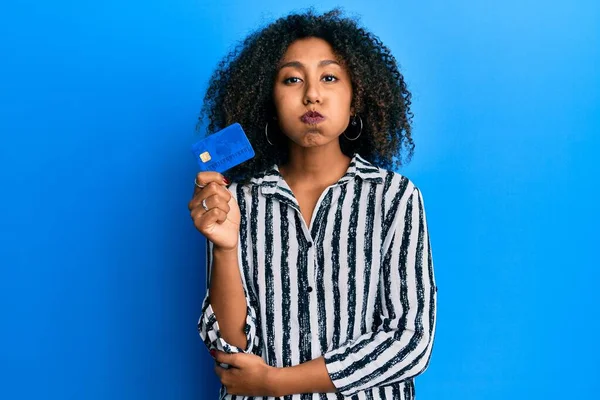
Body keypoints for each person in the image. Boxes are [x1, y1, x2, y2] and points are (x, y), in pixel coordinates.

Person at [188, 8, 437, 400]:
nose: (312, 94)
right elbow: (232, 349)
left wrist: (276, 383)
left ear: (356, 99)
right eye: (292, 79)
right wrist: (225, 246)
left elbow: (410, 340)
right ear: (268, 101)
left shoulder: (394, 197)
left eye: (329, 77)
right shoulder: (238, 201)